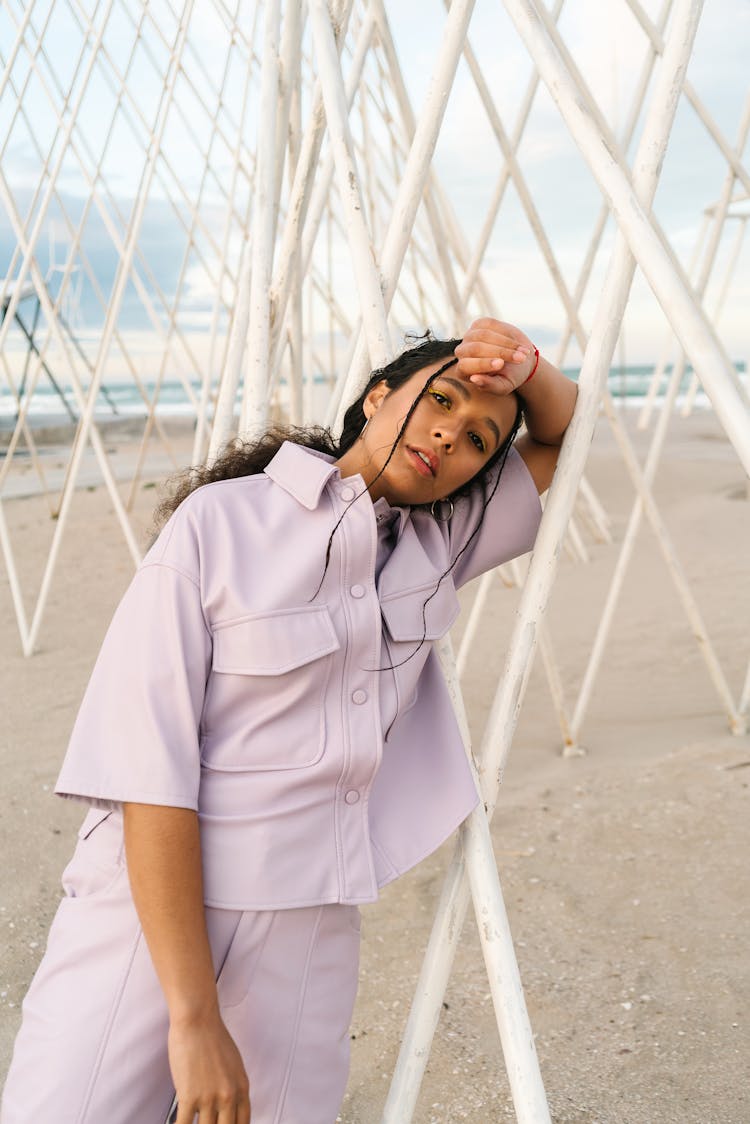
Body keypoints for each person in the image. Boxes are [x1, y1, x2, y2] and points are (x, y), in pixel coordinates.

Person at [1, 317, 577, 1124]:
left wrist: (523, 365)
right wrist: (193, 1016)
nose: (451, 434)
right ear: (378, 395)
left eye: (480, 439)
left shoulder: (439, 543)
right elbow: (146, 773)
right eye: (439, 399)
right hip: (149, 918)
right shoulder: (219, 524)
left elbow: (562, 431)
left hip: (308, 926)